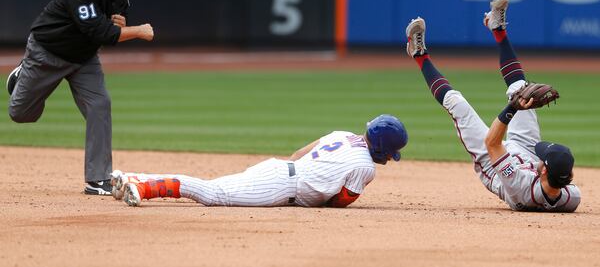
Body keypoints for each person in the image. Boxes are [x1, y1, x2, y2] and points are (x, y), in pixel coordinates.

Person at [404, 0, 581, 212]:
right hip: (525, 153)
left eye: (544, 159)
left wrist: (512, 108)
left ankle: (418, 53)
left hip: (493, 163)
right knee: (521, 89)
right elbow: (555, 183)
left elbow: (492, 143)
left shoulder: (519, 187)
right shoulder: (571, 197)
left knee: (456, 103)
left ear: (544, 170)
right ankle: (497, 28)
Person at [6, 0, 154, 195]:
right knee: (21, 114)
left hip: (84, 57)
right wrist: (137, 31)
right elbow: (101, 33)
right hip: (48, 53)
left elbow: (116, 16)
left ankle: (98, 179)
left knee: (100, 105)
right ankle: (21, 74)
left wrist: (121, 22)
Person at [110, 114, 408, 207]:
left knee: (215, 186)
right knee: (212, 193)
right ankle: (144, 188)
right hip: (280, 187)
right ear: (383, 148)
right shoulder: (365, 167)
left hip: (277, 168)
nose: (390, 159)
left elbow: (298, 153)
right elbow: (341, 201)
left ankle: (133, 178)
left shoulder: (343, 134)